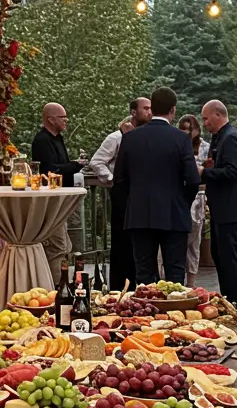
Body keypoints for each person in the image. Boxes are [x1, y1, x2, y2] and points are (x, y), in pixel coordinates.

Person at [114, 85, 199, 284]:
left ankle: (145, 304)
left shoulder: (131, 138)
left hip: (139, 214)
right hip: (173, 214)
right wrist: (181, 202)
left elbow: (119, 179)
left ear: (152, 109)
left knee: (143, 274)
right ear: (173, 110)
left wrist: (133, 201)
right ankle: (173, 304)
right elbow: (193, 179)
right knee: (175, 273)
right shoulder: (181, 139)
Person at [89, 97, 152, 290]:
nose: (149, 112)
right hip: (123, 197)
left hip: (142, 196)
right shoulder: (115, 138)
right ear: (133, 112)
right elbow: (97, 161)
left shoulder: (147, 136)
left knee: (141, 242)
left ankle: (140, 285)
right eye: (145, 108)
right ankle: (119, 287)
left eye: (151, 108)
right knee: (122, 242)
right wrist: (112, 180)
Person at [201, 99, 237, 307]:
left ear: (218, 114)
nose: (204, 123)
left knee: (228, 258)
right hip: (222, 209)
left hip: (232, 209)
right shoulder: (220, 137)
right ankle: (226, 299)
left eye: (206, 118)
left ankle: (234, 303)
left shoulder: (231, 138)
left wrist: (204, 173)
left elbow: (233, 172)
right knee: (219, 255)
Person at [31, 103, 85, 283]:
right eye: (62, 117)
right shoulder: (42, 140)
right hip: (51, 201)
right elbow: (49, 171)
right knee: (57, 246)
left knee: (66, 245)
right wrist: (75, 165)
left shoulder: (57, 138)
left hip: (62, 200)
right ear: (50, 119)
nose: (66, 120)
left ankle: (63, 284)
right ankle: (54, 287)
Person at [178, 114, 211, 288]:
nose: (187, 132)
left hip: (198, 196)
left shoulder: (205, 147)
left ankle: (191, 282)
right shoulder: (175, 145)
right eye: (183, 128)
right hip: (179, 195)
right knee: (177, 239)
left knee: (194, 240)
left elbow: (209, 171)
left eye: (190, 129)